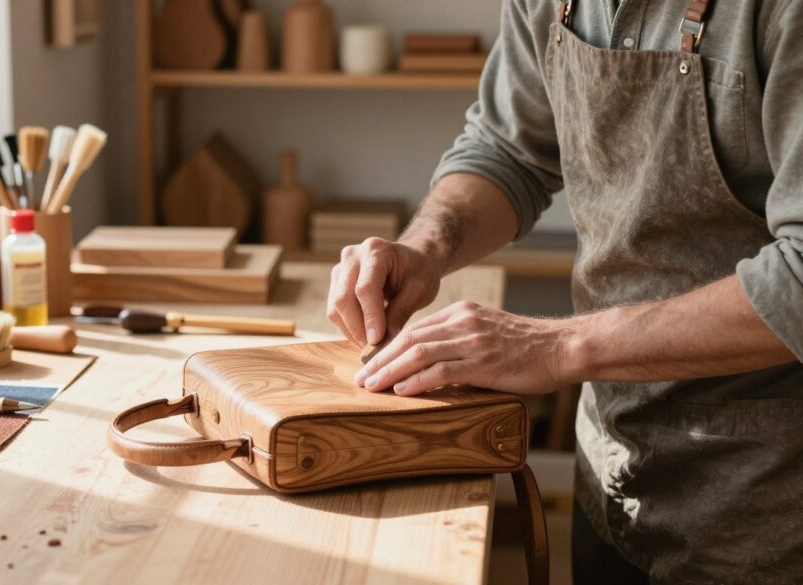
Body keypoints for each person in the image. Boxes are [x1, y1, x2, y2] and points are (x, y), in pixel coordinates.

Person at [326, 1, 803, 583]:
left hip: (766, 503)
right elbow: (509, 151)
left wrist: (555, 348)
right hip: (612, 461)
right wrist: (426, 247)